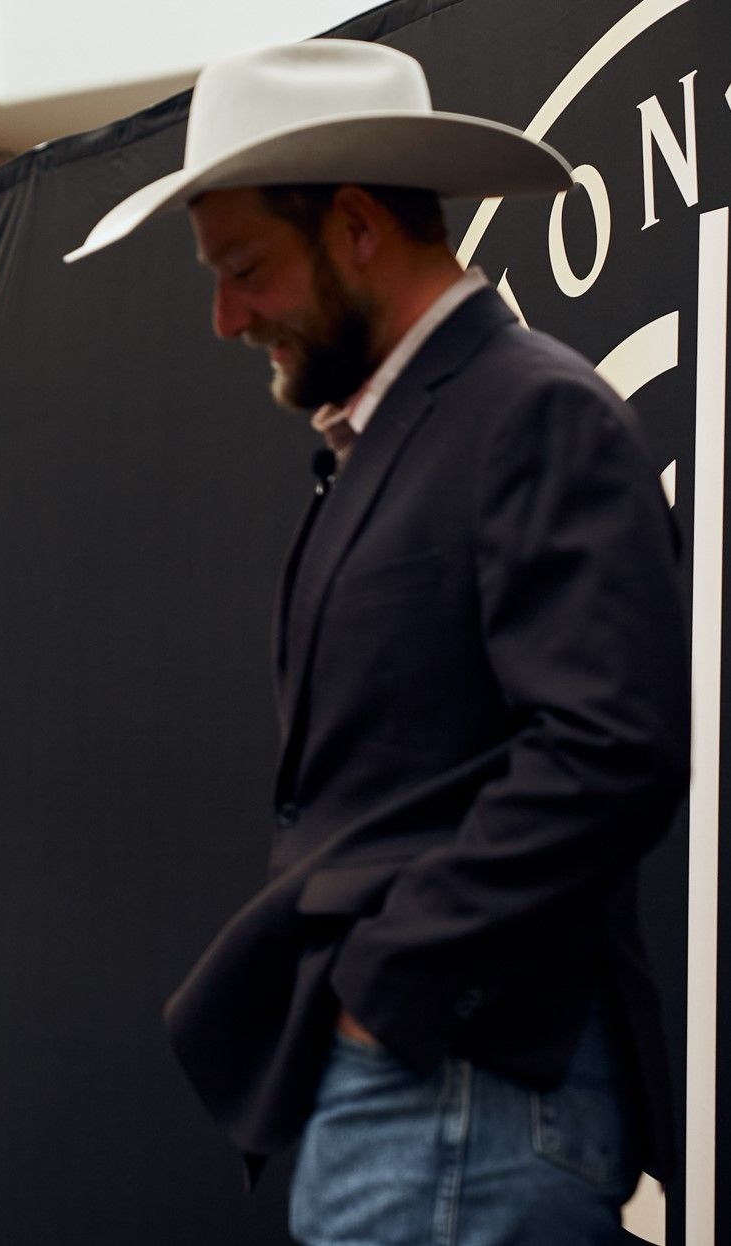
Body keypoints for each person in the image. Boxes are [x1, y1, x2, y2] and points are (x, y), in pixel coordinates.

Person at [64, 39, 687, 1245]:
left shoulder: (533, 413)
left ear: (354, 224)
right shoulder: (414, 432)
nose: (223, 316)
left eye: (244, 268)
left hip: (467, 1074)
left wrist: (393, 987)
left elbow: (610, 752)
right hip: (432, 1077)